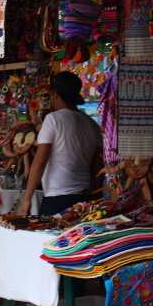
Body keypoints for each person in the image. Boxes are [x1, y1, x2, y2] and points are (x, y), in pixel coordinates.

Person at [18, 72, 103, 216]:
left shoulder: (53, 119)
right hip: (85, 198)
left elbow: (40, 161)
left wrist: (26, 199)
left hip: (57, 198)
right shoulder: (92, 124)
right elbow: (97, 167)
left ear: (55, 95)